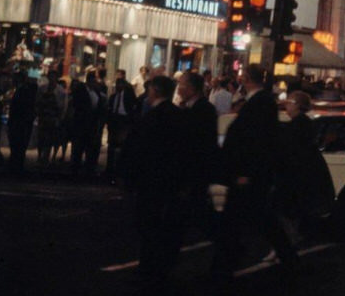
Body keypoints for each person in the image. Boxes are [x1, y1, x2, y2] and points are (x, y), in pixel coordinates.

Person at [212, 64, 296, 287]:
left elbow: (255, 142)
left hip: (248, 174)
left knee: (237, 223)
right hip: (250, 173)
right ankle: (287, 260)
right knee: (260, 221)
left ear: (247, 78)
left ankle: (225, 268)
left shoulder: (260, 104)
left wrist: (244, 172)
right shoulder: (261, 103)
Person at [122, 75, 183, 295]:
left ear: (155, 91)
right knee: (162, 227)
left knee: (148, 226)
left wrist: (129, 178)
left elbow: (137, 150)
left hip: (150, 180)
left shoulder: (151, 117)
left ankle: (147, 269)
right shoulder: (178, 116)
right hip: (170, 181)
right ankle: (159, 269)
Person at [275, 91, 335, 245]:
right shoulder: (305, 123)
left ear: (297, 105)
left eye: (289, 102)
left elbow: (291, 150)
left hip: (296, 173)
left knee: (285, 208)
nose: (286, 105)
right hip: (304, 171)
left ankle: (288, 241)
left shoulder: (297, 125)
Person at [176, 72, 220, 242]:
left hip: (197, 165)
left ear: (192, 88)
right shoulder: (190, 107)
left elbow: (199, 140)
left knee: (195, 201)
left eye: (182, 85)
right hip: (192, 165)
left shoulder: (203, 109)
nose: (179, 89)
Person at [105, 70, 140, 180]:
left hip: (124, 120)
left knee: (121, 145)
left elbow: (133, 105)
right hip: (115, 120)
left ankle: (118, 170)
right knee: (111, 145)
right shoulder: (113, 97)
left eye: (120, 85)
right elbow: (110, 109)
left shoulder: (128, 95)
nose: (118, 87)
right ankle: (109, 169)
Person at [6, 75, 37, 174]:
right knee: (20, 146)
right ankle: (17, 167)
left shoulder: (20, 93)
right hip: (22, 123)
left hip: (17, 123)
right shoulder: (27, 95)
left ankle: (14, 166)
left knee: (16, 147)